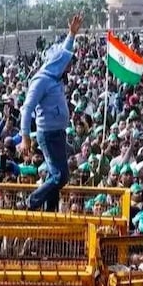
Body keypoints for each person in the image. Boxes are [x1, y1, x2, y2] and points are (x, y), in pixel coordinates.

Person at [17, 13, 84, 212]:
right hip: (48, 134)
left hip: (59, 132)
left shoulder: (54, 76)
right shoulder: (41, 80)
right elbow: (27, 108)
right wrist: (25, 136)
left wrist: (72, 34)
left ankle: (50, 209)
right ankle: (30, 202)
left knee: (56, 174)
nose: (68, 66)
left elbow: (64, 51)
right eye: (65, 64)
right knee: (60, 176)